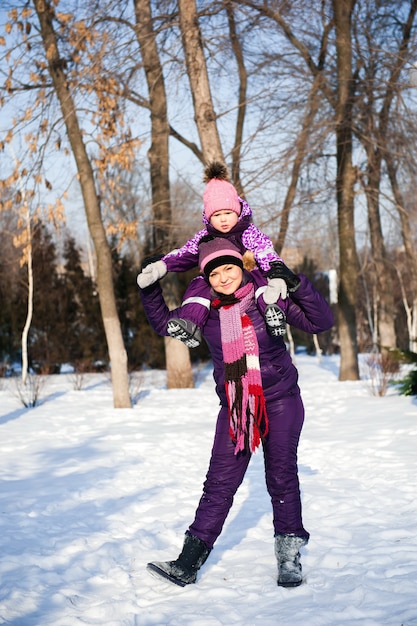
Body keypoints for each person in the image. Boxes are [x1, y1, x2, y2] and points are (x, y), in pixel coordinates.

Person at [138, 236, 334, 588]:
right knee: (219, 483)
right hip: (236, 404)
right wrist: (150, 287)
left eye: (229, 268)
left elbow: (320, 321)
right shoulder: (203, 309)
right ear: (207, 279)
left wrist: (297, 283)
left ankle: (289, 558)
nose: (224, 278)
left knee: (281, 477)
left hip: (281, 399)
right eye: (215, 274)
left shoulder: (266, 299)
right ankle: (187, 562)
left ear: (241, 267)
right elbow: (163, 324)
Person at [137, 161, 289, 346]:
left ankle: (273, 313)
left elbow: (265, 252)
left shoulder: (248, 232)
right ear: (208, 218)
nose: (223, 219)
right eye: (216, 215)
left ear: (238, 211)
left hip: (249, 277)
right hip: (220, 286)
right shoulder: (205, 238)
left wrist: (277, 273)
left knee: (260, 277)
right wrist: (162, 265)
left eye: (228, 213)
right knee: (199, 283)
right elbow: (185, 253)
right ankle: (190, 324)